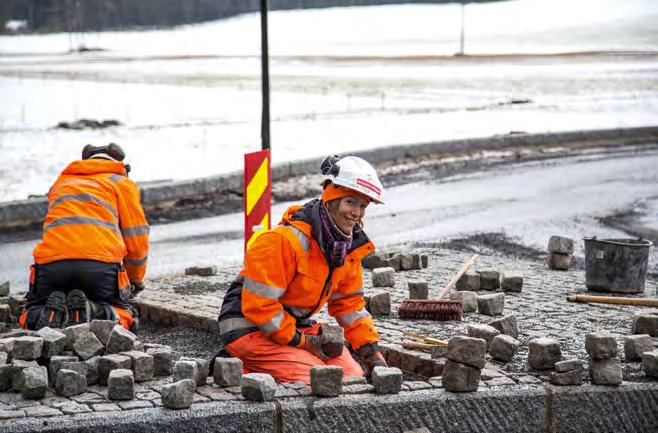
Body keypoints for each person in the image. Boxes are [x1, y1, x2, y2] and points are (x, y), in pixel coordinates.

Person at [218, 155, 388, 384]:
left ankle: (273, 364)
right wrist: (303, 343)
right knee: (317, 379)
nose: (356, 213)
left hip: (292, 328)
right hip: (247, 328)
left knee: (352, 377)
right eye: (350, 202)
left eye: (362, 206)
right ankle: (240, 367)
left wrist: (371, 354)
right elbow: (260, 307)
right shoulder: (281, 241)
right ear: (330, 198)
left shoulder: (345, 250)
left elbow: (349, 305)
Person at [18, 143, 149, 331]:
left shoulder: (61, 184)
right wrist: (134, 280)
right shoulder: (122, 184)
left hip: (51, 266)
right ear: (121, 166)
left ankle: (38, 316)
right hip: (100, 269)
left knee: (32, 307)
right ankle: (96, 311)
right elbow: (136, 239)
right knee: (125, 313)